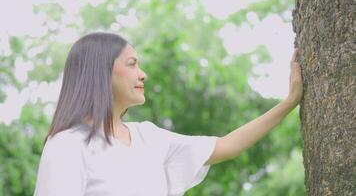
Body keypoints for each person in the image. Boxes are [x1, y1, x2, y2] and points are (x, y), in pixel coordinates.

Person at [33, 32, 303, 196]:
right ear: (101, 71)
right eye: (132, 64)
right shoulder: (68, 146)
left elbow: (226, 146)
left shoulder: (148, 137)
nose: (143, 74)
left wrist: (289, 102)